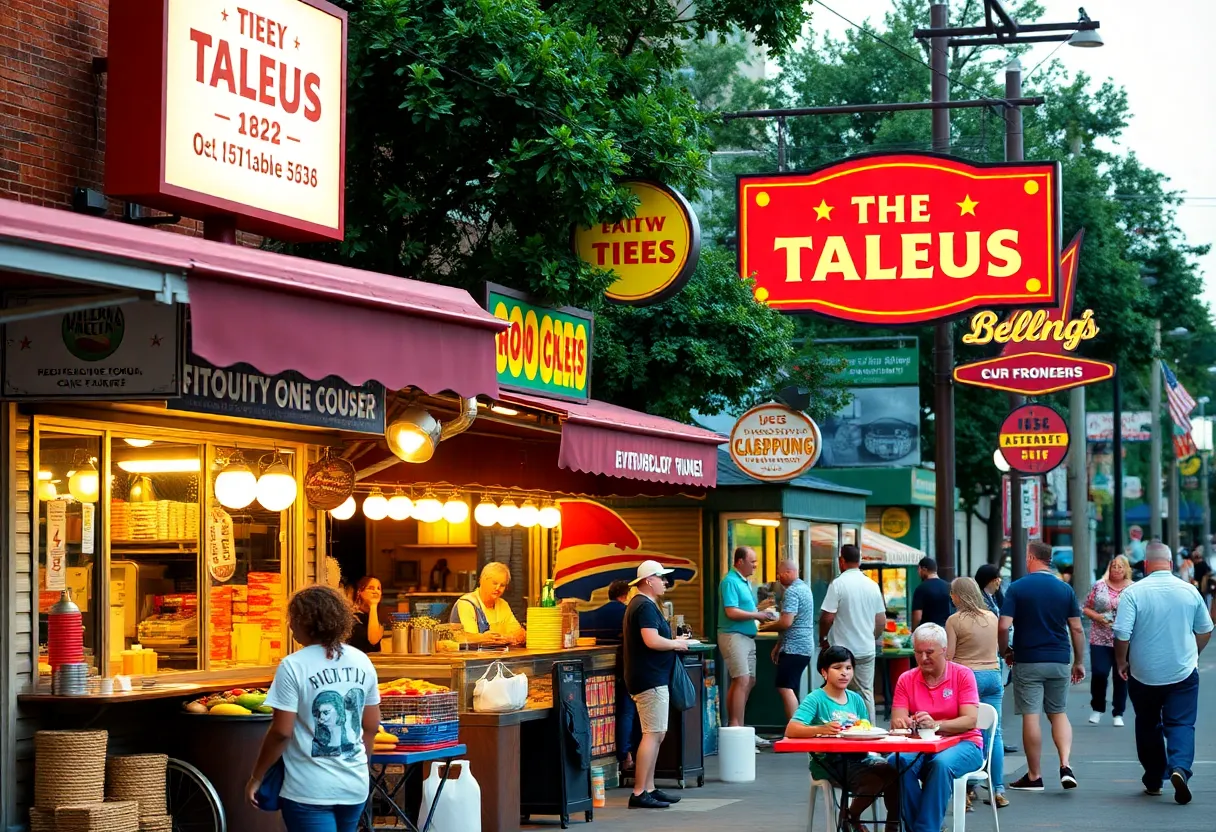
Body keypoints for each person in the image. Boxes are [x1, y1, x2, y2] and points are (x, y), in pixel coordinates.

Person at [246, 585, 381, 832]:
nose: (289, 625)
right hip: (355, 785)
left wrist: (257, 776)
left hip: (309, 790)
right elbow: (371, 726)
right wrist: (361, 766)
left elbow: (281, 733)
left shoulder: (293, 666)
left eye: (292, 619)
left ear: (305, 622)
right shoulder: (363, 661)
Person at [1114, 541, 1214, 804]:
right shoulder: (1189, 591)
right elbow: (1205, 629)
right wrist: (1194, 653)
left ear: (1146, 565)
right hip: (1182, 670)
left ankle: (1154, 778)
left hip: (1143, 672)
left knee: (1147, 723)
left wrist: (1122, 661)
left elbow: (1122, 633)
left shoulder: (1133, 592)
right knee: (1181, 722)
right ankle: (1179, 768)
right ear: (1170, 564)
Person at [998, 540, 1085, 792]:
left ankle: (1034, 776)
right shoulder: (1064, 589)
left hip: (1028, 659)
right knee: (1058, 712)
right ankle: (1065, 764)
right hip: (1059, 658)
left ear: (1031, 557)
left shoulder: (1017, 588)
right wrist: (1078, 661)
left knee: (1031, 715)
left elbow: (1004, 625)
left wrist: (1006, 651)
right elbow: (1077, 628)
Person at [784, 646, 900, 832]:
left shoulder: (856, 699)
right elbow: (792, 729)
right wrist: (821, 729)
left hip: (860, 758)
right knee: (875, 780)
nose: (844, 673)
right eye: (837, 668)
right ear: (824, 672)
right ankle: (851, 817)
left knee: (896, 774)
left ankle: (891, 827)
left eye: (848, 668)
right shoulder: (816, 698)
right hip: (829, 762)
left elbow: (866, 730)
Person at [888, 624, 984, 832]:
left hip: (965, 743)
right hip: (922, 745)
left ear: (944, 650)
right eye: (918, 652)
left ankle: (924, 829)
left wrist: (937, 725)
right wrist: (905, 723)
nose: (923, 658)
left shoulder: (962, 675)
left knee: (941, 764)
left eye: (929, 652)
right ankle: (924, 827)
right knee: (897, 761)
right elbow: (897, 720)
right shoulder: (906, 678)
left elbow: (970, 720)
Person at [623, 560, 689, 809]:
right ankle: (640, 791)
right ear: (649, 580)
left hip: (650, 677)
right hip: (650, 678)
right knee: (652, 734)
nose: (665, 582)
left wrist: (673, 640)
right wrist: (676, 644)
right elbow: (651, 640)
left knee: (657, 732)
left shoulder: (642, 604)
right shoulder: (645, 606)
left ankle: (649, 787)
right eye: (661, 578)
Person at [946, 577, 1008, 810]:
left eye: (953, 593)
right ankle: (998, 790)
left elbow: (950, 657)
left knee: (965, 732)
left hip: (966, 676)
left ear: (959, 595)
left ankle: (966, 791)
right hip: (992, 675)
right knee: (995, 734)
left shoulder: (954, 621)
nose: (951, 597)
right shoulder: (991, 616)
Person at [819, 544, 887, 723]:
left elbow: (827, 618)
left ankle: (840, 730)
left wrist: (823, 638)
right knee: (866, 693)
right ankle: (870, 733)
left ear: (841, 561)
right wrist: (871, 637)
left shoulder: (838, 584)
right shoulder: (872, 585)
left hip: (842, 651)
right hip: (866, 649)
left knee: (837, 691)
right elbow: (881, 621)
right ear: (860, 560)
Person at [579, 580, 640, 776]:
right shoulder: (627, 613)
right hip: (625, 668)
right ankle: (625, 755)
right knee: (627, 710)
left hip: (599, 670)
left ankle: (624, 756)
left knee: (619, 711)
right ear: (627, 594)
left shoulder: (595, 613)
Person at [718, 546, 778, 744]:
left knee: (748, 680)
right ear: (739, 562)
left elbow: (745, 608)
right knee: (741, 679)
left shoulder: (745, 582)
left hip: (747, 636)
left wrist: (762, 609)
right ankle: (735, 730)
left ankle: (741, 729)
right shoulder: (730, 581)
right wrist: (758, 615)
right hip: (733, 635)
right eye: (752, 561)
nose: (755, 565)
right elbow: (731, 612)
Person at [1082, 555, 1132, 727]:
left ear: (1126, 569)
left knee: (1121, 676)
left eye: (1120, 566)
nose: (1116, 569)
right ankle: (1097, 708)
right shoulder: (1099, 585)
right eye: (1113, 566)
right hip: (1100, 638)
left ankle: (1118, 712)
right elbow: (1086, 607)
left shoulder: (1134, 589)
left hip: (1123, 639)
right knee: (1100, 673)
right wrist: (1097, 616)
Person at [769, 559, 815, 720]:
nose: (778, 577)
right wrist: (779, 644)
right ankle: (797, 726)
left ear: (788, 572)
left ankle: (795, 728)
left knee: (785, 687)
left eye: (780, 574)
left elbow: (786, 622)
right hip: (802, 646)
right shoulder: (805, 588)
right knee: (790, 687)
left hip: (795, 647)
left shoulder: (792, 592)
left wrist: (765, 627)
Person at [450, 561, 526, 646]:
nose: (498, 588)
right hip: (470, 657)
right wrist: (487, 638)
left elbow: (520, 634)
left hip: (498, 657)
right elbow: (469, 639)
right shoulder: (466, 604)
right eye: (494, 583)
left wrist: (507, 637)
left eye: (502, 585)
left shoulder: (503, 604)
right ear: (482, 580)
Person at [347, 575, 388, 653]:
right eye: (370, 588)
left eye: (378, 588)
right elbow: (373, 640)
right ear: (359, 591)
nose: (375, 591)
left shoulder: (373, 615)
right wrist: (373, 605)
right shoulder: (352, 618)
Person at [911, 557, 952, 629]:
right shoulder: (948, 586)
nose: (918, 573)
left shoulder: (921, 588)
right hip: (946, 630)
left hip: (927, 631)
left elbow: (917, 617)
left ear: (923, 569)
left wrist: (914, 631)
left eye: (918, 570)